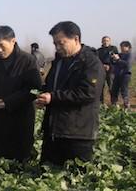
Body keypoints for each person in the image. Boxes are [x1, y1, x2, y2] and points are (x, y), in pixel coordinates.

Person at [36, 21, 104, 166]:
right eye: (55, 44)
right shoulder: (58, 62)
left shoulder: (91, 63)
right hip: (54, 131)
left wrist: (53, 97)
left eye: (61, 43)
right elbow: (50, 87)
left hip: (77, 133)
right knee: (47, 176)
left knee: (75, 180)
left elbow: (87, 93)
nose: (58, 47)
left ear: (76, 39)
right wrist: (43, 96)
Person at [0, 26, 42, 162]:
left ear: (13, 41)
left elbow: (34, 89)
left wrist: (9, 102)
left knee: (18, 159)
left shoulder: (28, 60)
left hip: (20, 119)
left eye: (2, 46)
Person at [111, 41, 132, 109]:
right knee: (114, 90)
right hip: (117, 75)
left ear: (128, 47)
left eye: (124, 46)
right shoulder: (119, 54)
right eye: (121, 46)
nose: (122, 48)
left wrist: (118, 59)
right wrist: (113, 59)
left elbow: (127, 65)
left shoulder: (130, 55)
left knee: (124, 90)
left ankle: (126, 105)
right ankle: (114, 105)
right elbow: (114, 63)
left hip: (125, 75)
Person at [97, 36, 118, 103]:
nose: (106, 42)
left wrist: (109, 65)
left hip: (111, 70)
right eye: (104, 40)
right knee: (100, 86)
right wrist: (103, 65)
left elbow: (116, 59)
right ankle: (101, 102)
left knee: (111, 86)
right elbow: (97, 61)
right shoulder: (99, 50)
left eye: (107, 40)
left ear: (110, 41)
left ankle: (114, 102)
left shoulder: (113, 49)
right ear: (102, 42)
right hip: (101, 70)